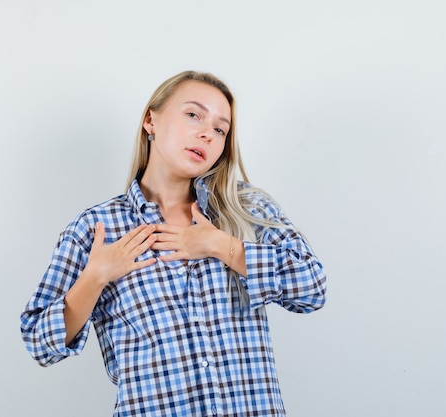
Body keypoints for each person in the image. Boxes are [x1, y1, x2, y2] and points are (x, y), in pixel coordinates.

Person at [20, 70, 327, 416]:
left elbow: (312, 287)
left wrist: (221, 246)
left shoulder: (247, 208)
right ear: (151, 120)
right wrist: (95, 277)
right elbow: (39, 343)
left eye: (220, 129)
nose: (206, 134)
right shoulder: (96, 229)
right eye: (193, 114)